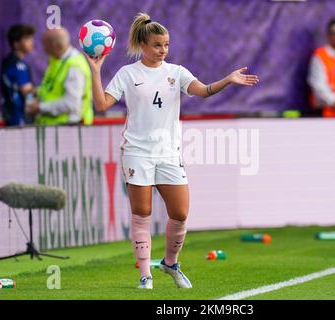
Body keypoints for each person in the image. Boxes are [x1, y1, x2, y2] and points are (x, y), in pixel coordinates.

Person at [85, 12, 259, 289]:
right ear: (143, 45)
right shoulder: (128, 74)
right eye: (157, 45)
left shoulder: (176, 72)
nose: (163, 50)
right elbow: (102, 104)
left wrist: (227, 80)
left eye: (166, 45)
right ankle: (145, 276)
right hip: (137, 152)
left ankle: (170, 263)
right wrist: (95, 71)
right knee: (141, 214)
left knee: (180, 213)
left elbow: (202, 91)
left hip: (168, 153)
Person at [26, 27, 93, 125]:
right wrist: (38, 91)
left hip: (68, 128)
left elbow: (71, 103)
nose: (43, 49)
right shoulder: (58, 61)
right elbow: (53, 89)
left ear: (54, 45)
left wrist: (40, 107)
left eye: (45, 45)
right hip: (55, 126)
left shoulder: (74, 66)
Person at [0, 24, 36, 126]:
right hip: (18, 118)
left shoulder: (8, 62)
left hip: (11, 116)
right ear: (16, 44)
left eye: (31, 38)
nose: (31, 42)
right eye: (27, 39)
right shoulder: (19, 65)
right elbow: (27, 91)